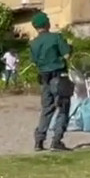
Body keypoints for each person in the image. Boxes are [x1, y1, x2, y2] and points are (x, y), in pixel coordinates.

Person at [29, 12, 72, 152]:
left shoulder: (34, 43)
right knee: (63, 107)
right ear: (47, 24)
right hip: (58, 75)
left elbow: (34, 62)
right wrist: (70, 47)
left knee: (46, 109)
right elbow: (67, 55)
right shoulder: (56, 38)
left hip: (44, 78)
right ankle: (57, 140)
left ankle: (39, 140)